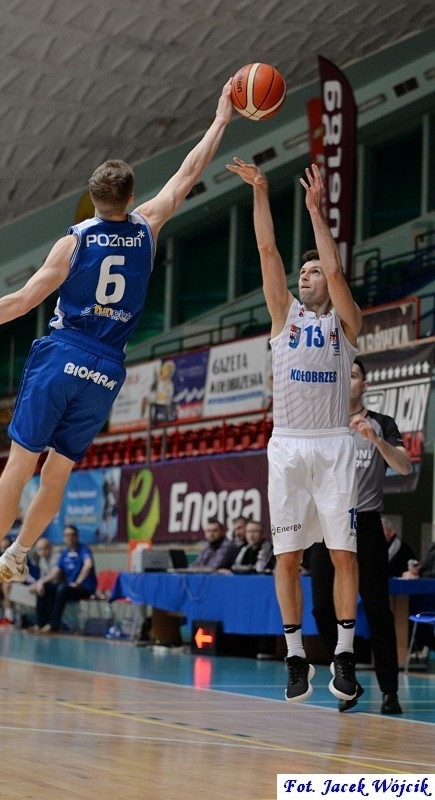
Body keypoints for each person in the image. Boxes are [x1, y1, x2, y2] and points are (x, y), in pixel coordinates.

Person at [0, 81, 234, 596]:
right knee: (57, 471)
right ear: (130, 196)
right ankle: (17, 557)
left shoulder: (74, 242)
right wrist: (221, 119)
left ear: (93, 199)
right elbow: (188, 172)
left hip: (64, 352)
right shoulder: (148, 226)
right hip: (107, 368)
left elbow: (19, 302)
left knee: (20, 464)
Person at [226, 158, 363, 704]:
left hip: (333, 444)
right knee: (287, 559)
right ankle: (295, 657)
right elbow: (267, 253)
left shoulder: (343, 322)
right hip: (287, 446)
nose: (307, 277)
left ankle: (346, 655)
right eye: (302, 274)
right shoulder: (283, 316)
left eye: (312, 273)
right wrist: (261, 192)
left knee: (342, 556)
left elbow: (334, 272)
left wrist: (315, 212)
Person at [311, 358, 412, 715]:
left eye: (353, 375)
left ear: (364, 385)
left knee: (376, 610)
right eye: (342, 375)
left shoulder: (382, 424)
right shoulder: (323, 423)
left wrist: (377, 441)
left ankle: (390, 691)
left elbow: (405, 466)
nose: (346, 380)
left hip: (366, 524)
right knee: (322, 608)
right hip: (327, 527)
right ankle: (347, 681)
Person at [30, 526, 96, 634]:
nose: (70, 537)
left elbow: (88, 565)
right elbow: (56, 571)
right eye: (67, 535)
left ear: (77, 536)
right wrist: (41, 582)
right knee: (45, 588)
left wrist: (78, 582)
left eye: (72, 535)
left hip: (83, 587)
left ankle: (53, 625)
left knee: (62, 589)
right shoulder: (65, 553)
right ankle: (40, 624)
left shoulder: (84, 550)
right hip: (68, 587)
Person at [28, 536, 59, 631]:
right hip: (48, 585)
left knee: (46, 590)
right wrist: (37, 584)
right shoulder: (42, 560)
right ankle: (39, 623)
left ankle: (47, 623)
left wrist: (40, 583)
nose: (43, 551)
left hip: (58, 584)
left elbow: (55, 575)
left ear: (50, 548)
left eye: (45, 548)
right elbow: (42, 577)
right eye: (40, 549)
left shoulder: (56, 557)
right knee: (40, 590)